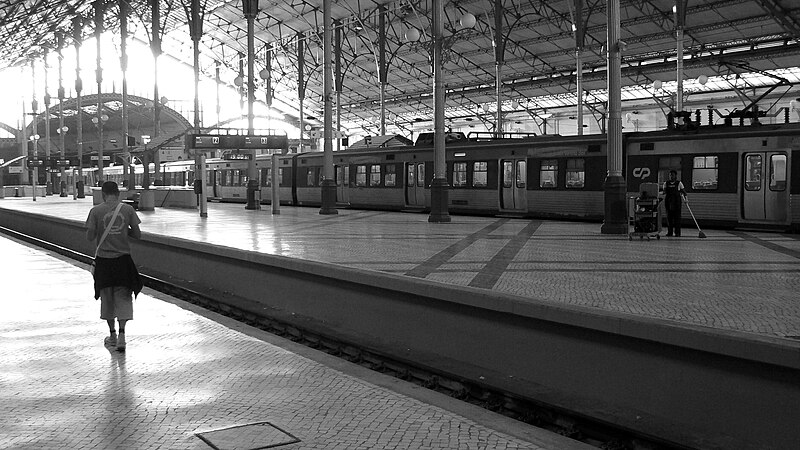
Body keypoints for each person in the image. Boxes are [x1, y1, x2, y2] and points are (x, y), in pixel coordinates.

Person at [86, 181, 143, 352]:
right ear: (118, 194)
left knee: (107, 298)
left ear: (103, 194)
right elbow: (138, 235)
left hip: (104, 262)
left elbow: (90, 237)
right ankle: (123, 336)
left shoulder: (95, 211)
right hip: (123, 261)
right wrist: (124, 231)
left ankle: (112, 335)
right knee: (124, 297)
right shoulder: (127, 210)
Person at [661, 170, 687, 237]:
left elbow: (684, 192)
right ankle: (670, 232)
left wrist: (686, 200)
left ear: (675, 176)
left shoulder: (679, 183)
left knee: (677, 219)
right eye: (670, 175)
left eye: (672, 175)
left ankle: (677, 233)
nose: (671, 176)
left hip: (677, 203)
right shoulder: (666, 183)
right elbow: (664, 192)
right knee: (669, 218)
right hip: (668, 202)